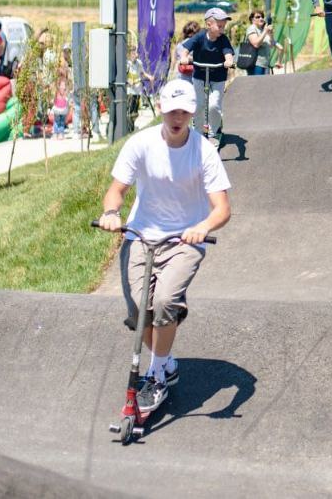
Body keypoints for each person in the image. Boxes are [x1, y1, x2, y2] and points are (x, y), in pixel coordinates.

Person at [96, 78, 232, 413]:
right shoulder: (140, 144)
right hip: (141, 234)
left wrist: (202, 228)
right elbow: (117, 190)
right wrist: (112, 213)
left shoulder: (204, 151)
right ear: (161, 109)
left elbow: (222, 208)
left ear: (192, 113)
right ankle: (166, 361)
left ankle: (155, 375)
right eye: (172, 111)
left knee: (166, 299)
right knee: (140, 311)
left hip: (185, 238)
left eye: (184, 112)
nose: (177, 118)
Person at [175, 8, 235, 140]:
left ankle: (214, 133)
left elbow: (228, 54)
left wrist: (229, 61)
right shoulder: (200, 37)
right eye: (219, 26)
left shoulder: (223, 39)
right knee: (199, 104)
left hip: (218, 77)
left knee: (214, 105)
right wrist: (184, 57)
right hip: (199, 75)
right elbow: (185, 49)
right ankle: (198, 132)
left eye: (223, 27)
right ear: (209, 25)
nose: (222, 29)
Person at [243, 10, 273, 76]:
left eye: (262, 16)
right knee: (255, 85)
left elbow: (271, 45)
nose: (261, 18)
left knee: (261, 85)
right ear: (252, 19)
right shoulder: (252, 28)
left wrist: (270, 33)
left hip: (263, 64)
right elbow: (256, 44)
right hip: (255, 64)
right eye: (258, 17)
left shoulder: (262, 30)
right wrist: (265, 31)